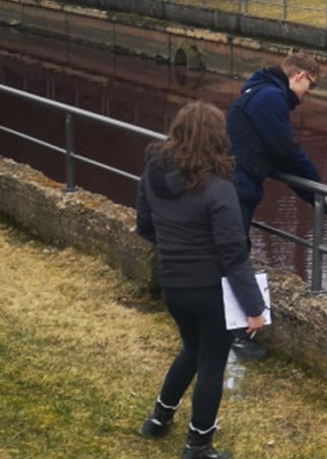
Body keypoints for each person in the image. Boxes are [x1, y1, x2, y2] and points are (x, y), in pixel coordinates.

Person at [135, 101, 267, 459]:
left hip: (174, 286)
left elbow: (145, 226)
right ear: (216, 139)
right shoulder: (220, 188)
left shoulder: (152, 176)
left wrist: (177, 246)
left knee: (192, 350)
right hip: (210, 292)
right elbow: (234, 255)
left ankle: (159, 419)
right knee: (211, 363)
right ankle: (198, 444)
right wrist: (256, 310)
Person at [224, 52, 323, 361]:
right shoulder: (271, 99)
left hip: (233, 183)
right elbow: (286, 150)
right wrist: (317, 192)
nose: (308, 94)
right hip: (236, 186)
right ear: (300, 76)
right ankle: (237, 335)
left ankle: (231, 330)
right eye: (312, 85)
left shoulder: (258, 90)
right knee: (235, 254)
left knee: (231, 251)